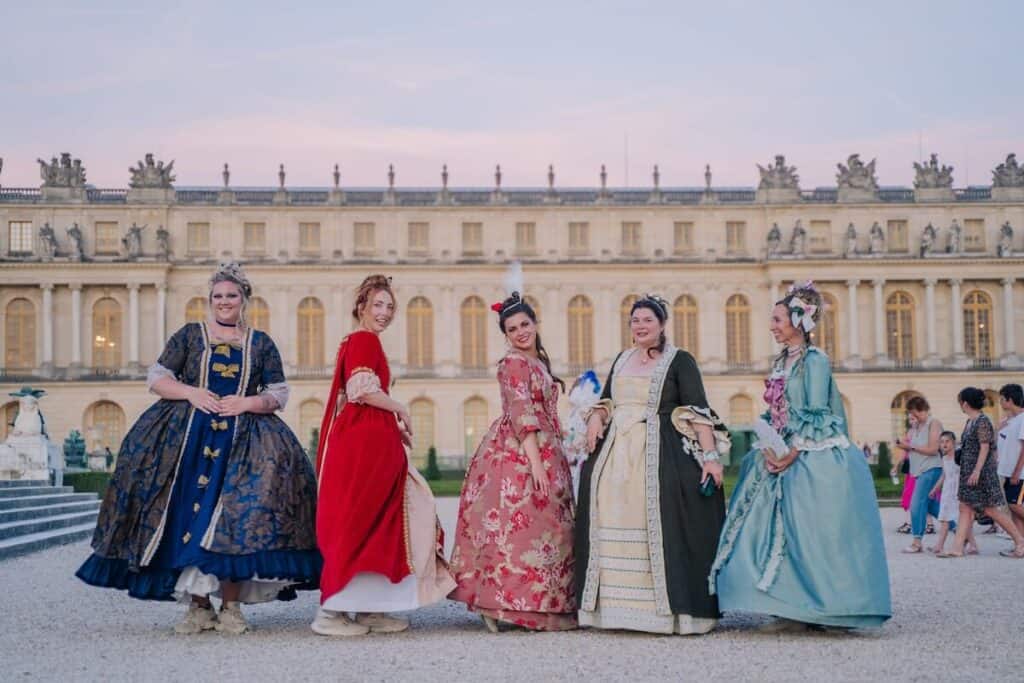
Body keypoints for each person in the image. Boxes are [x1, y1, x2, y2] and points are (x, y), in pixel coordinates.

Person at [76, 262, 321, 635]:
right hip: (189, 442)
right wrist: (191, 392)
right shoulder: (189, 336)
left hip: (245, 446)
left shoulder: (261, 342)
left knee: (239, 521)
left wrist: (246, 403)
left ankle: (232, 607)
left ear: (244, 300)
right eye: (218, 296)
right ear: (210, 300)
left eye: (231, 296)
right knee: (186, 518)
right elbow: (157, 378)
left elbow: (279, 393)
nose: (224, 302)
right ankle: (199, 606)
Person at [709, 282, 891, 631]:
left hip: (809, 456)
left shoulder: (815, 360)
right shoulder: (782, 360)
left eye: (778, 319)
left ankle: (818, 609)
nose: (772, 325)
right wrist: (767, 444)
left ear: (798, 320)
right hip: (781, 452)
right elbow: (777, 411)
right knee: (770, 531)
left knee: (809, 534)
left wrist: (791, 453)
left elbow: (819, 414)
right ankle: (787, 607)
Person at [576, 294, 730, 635]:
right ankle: (613, 609)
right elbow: (607, 401)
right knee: (604, 510)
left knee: (661, 518)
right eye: (635, 320)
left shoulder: (680, 361)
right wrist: (596, 418)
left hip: (658, 450)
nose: (640, 326)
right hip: (616, 453)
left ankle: (667, 611)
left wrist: (710, 457)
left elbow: (698, 411)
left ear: (662, 324)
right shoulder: (621, 359)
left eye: (647, 319)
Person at [312, 275, 455, 637]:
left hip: (367, 441)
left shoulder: (359, 341)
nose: (385, 312)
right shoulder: (363, 339)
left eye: (390, 307)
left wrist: (394, 423)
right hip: (364, 446)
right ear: (361, 306)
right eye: (378, 304)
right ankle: (332, 611)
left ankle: (371, 607)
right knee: (365, 521)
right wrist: (400, 409)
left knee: (376, 522)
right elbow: (361, 388)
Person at [449, 292, 576, 632]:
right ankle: (505, 606)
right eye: (512, 328)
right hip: (522, 451)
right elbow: (522, 413)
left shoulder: (536, 362)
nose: (520, 332)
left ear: (535, 324)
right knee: (525, 526)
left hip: (547, 448)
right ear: (504, 335)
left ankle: (538, 605)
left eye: (524, 324)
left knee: (548, 528)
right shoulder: (513, 363)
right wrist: (536, 464)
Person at [940, 387, 1024, 558]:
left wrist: (977, 471)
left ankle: (1020, 541)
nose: (960, 405)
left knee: (990, 510)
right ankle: (957, 548)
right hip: (968, 472)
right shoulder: (970, 422)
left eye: (960, 402)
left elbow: (985, 447)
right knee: (965, 508)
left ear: (965, 403)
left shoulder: (982, 421)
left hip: (980, 474)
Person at [897, 396, 943, 553]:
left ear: (922, 409)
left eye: (914, 412)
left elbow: (933, 449)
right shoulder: (917, 426)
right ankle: (960, 530)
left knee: (916, 505)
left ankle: (917, 542)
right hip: (918, 471)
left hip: (931, 469)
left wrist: (910, 447)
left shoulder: (933, 423)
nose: (913, 416)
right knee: (932, 506)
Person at [927, 431, 974, 555]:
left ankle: (972, 545)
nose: (944, 444)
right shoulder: (944, 458)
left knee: (963, 520)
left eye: (947, 441)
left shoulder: (959, 457)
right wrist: (934, 489)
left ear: (953, 442)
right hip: (948, 492)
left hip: (959, 492)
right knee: (945, 519)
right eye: (941, 442)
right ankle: (939, 546)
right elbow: (944, 475)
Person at [996, 384, 1024, 537]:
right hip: (1007, 472)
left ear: (1010, 400)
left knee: (1015, 505)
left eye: (1002, 399)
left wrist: (1017, 472)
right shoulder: (1011, 420)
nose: (1000, 402)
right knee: (1013, 509)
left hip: (1019, 474)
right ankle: (1020, 546)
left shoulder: (1023, 419)